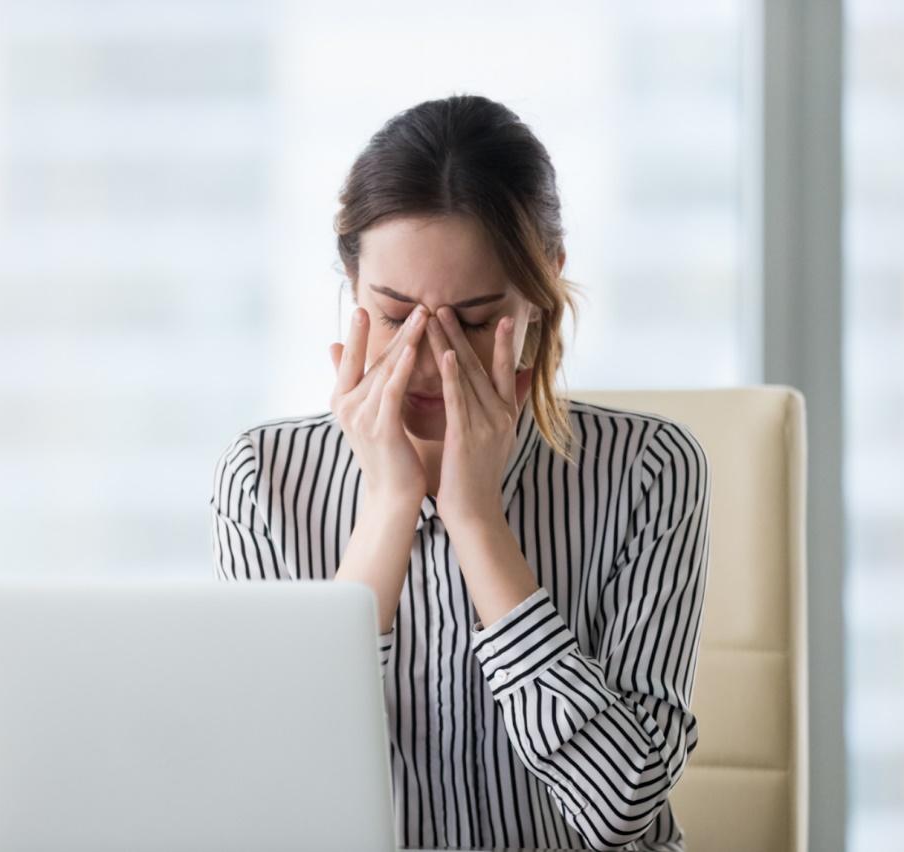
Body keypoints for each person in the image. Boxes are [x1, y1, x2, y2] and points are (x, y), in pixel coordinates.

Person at [209, 93, 711, 851]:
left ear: (542, 289)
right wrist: (386, 508)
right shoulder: (265, 477)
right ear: (351, 286)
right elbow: (275, 795)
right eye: (391, 312)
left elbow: (621, 811)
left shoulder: (648, 471)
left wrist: (476, 521)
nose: (428, 358)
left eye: (473, 322)